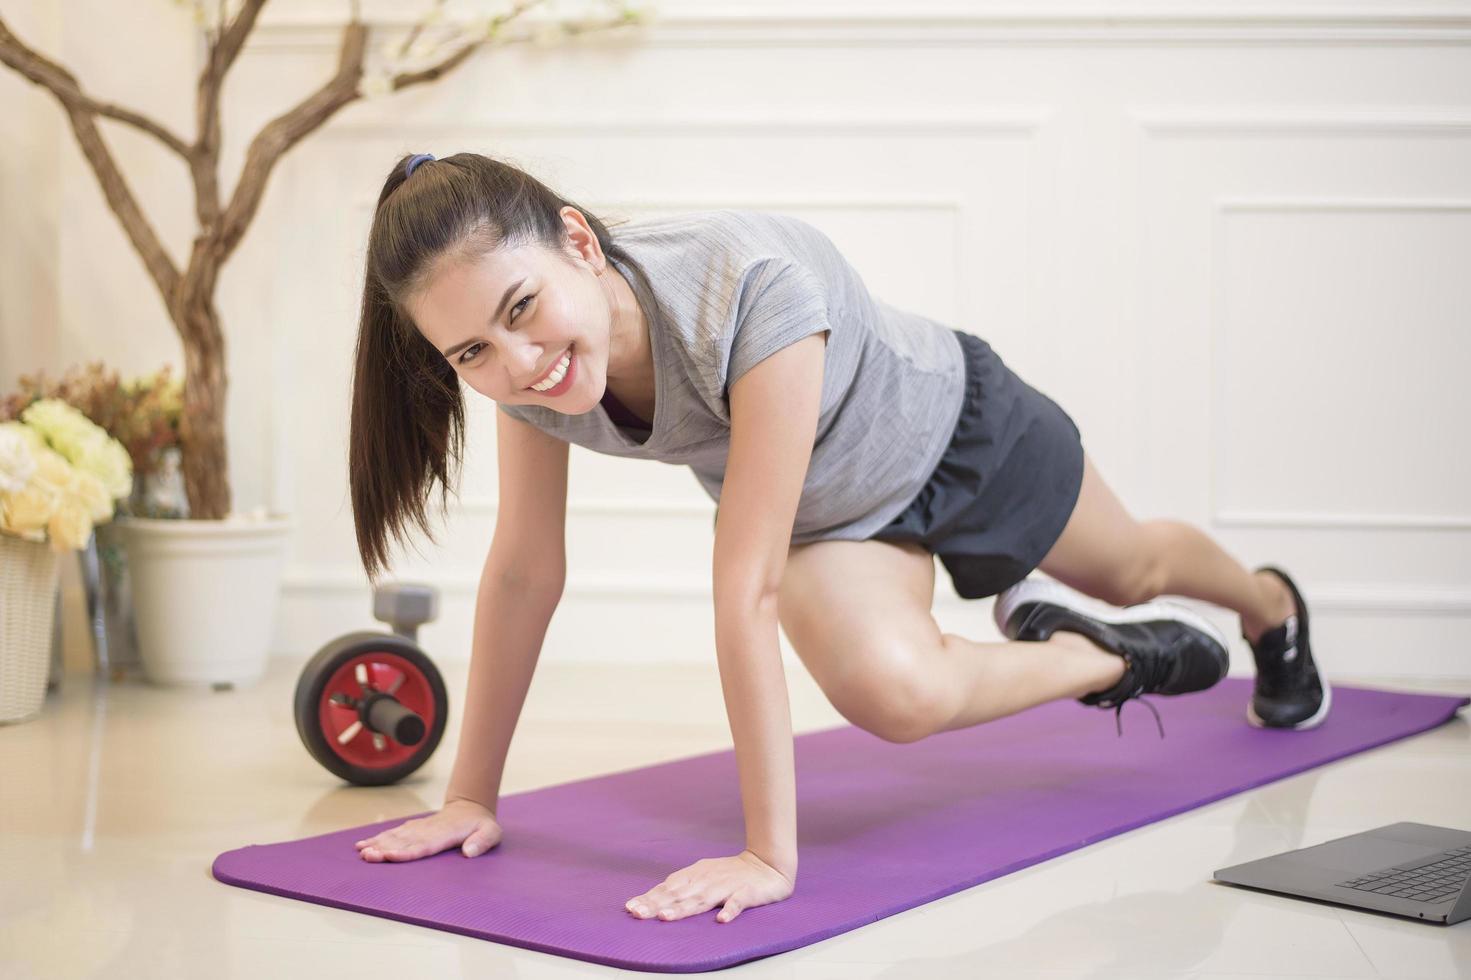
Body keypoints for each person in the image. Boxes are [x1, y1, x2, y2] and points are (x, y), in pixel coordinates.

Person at [344, 151, 1329, 924]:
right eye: (472, 350)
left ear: (578, 242)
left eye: (522, 309)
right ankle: (1099, 657)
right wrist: (471, 795)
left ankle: (1269, 604)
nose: (519, 361)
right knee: (894, 697)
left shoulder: (744, 285)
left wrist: (768, 852)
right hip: (839, 522)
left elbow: (744, 588)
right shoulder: (534, 385)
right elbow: (523, 570)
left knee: (1135, 565)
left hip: (961, 430)